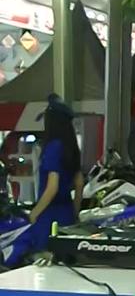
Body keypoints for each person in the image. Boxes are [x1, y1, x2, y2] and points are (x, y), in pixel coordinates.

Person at [4, 95, 83, 266]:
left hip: (49, 215)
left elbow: (52, 187)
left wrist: (35, 213)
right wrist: (75, 213)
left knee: (45, 263)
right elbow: (79, 184)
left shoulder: (54, 147)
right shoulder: (72, 147)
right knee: (64, 263)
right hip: (67, 212)